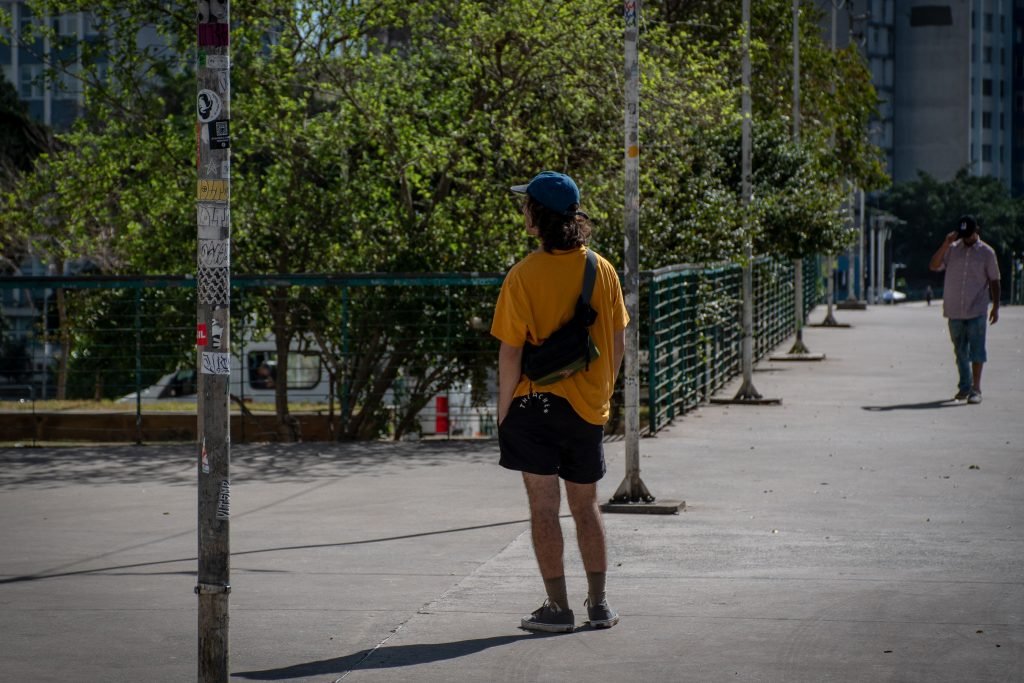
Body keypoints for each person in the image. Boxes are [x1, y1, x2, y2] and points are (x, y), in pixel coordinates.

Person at [490, 171, 628, 633]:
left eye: (525, 206)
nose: (522, 213)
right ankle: (599, 604)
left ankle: (558, 609)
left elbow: (510, 352)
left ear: (537, 217)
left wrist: (504, 411)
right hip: (587, 409)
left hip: (535, 407)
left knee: (544, 508)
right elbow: (618, 338)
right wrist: (601, 394)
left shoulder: (523, 275)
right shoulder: (601, 270)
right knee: (586, 506)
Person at [928, 215, 1000, 403]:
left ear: (976, 231)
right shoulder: (952, 250)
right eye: (963, 235)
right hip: (954, 309)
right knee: (960, 350)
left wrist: (996, 306)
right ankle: (964, 386)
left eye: (969, 234)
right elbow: (934, 265)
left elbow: (994, 280)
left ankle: (976, 389)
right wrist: (945, 244)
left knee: (977, 349)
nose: (966, 238)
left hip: (977, 308)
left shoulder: (987, 253)